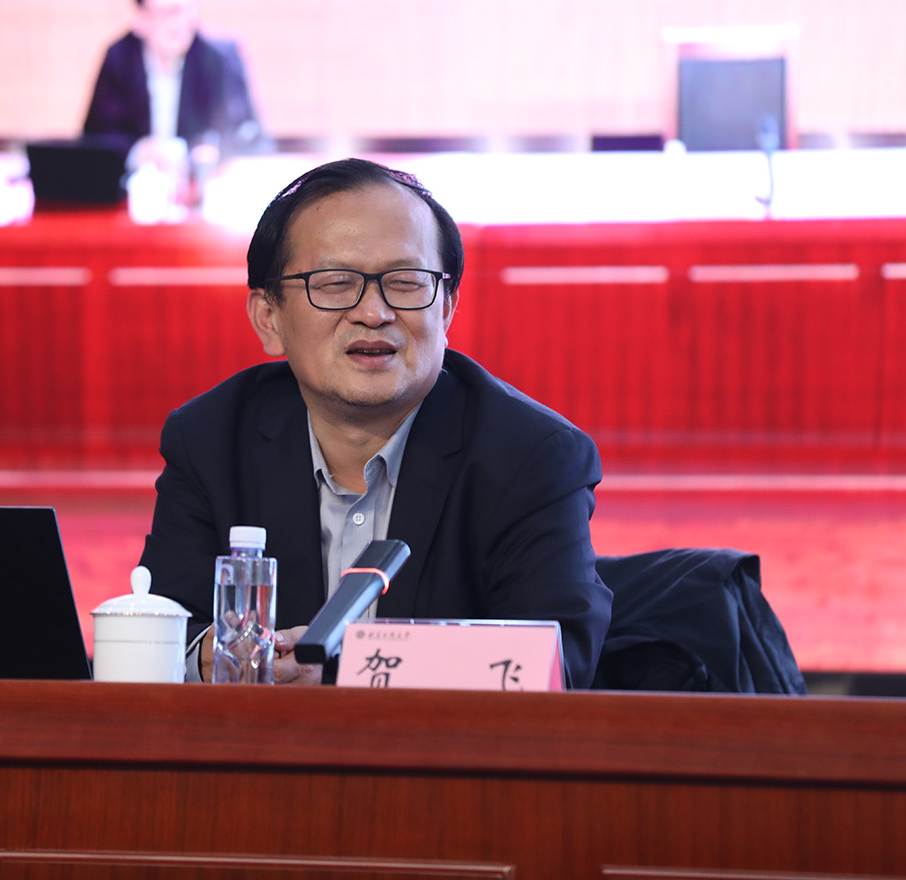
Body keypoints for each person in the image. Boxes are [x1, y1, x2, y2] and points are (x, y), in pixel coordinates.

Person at [138, 157, 612, 687]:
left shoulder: (531, 456)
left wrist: (343, 677)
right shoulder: (211, 441)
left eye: (406, 282)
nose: (373, 312)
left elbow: (554, 666)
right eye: (335, 283)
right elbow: (159, 631)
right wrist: (209, 660)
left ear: (447, 309)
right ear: (269, 318)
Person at [82, 0, 268, 175]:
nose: (178, 23)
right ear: (141, 19)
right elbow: (95, 139)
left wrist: (208, 153)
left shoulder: (219, 58)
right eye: (167, 12)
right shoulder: (119, 58)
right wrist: (137, 151)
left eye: (185, 9)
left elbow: (250, 136)